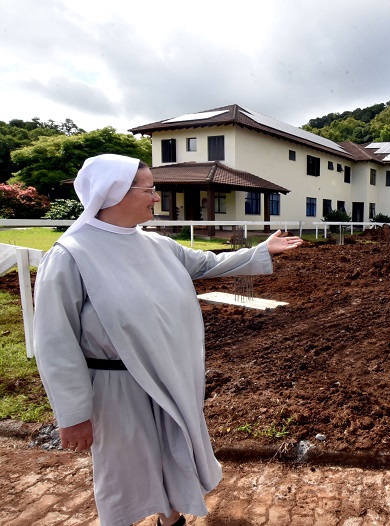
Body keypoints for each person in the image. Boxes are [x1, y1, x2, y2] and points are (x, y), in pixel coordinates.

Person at [33, 154, 303, 526]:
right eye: (149, 188)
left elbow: (207, 264)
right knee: (124, 470)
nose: (156, 197)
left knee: (172, 453)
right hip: (116, 389)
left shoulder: (157, 245)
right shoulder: (69, 256)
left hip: (170, 375)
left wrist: (260, 251)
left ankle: (171, 518)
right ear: (114, 193)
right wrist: (73, 414)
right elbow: (54, 342)